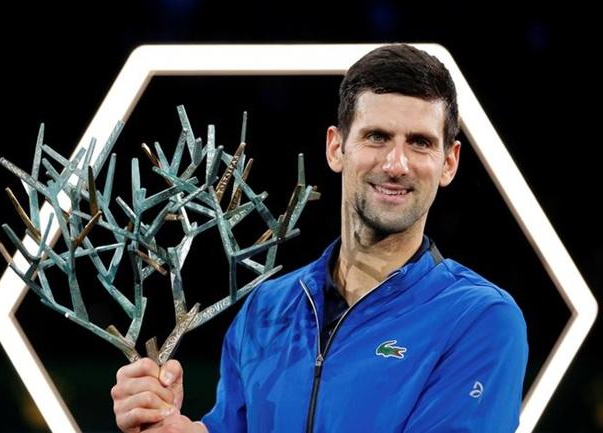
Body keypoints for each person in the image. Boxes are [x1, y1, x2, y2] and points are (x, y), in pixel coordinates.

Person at [110, 43, 528, 433]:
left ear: (449, 162)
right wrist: (170, 423)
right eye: (377, 136)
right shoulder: (265, 310)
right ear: (336, 147)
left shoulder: (480, 319)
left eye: (420, 143)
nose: (396, 163)